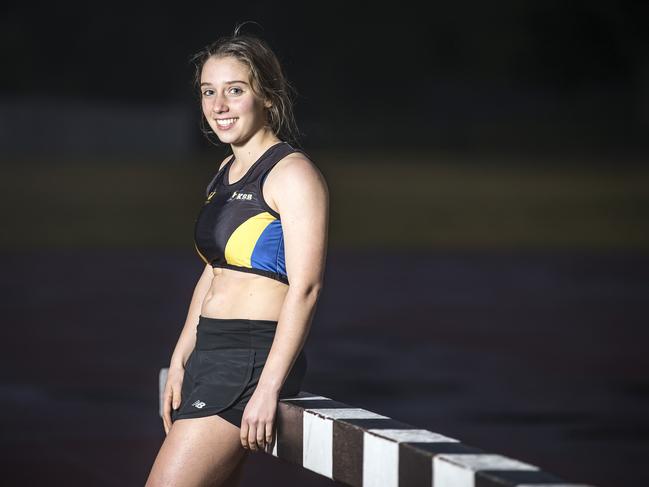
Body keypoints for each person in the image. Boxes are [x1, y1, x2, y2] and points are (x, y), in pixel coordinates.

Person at [145, 25, 328, 487]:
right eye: (209, 92)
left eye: (234, 90)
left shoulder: (293, 174)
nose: (218, 106)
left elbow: (305, 288)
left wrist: (268, 387)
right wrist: (183, 353)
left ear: (266, 95)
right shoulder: (226, 171)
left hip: (250, 358)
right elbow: (214, 270)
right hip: (212, 351)